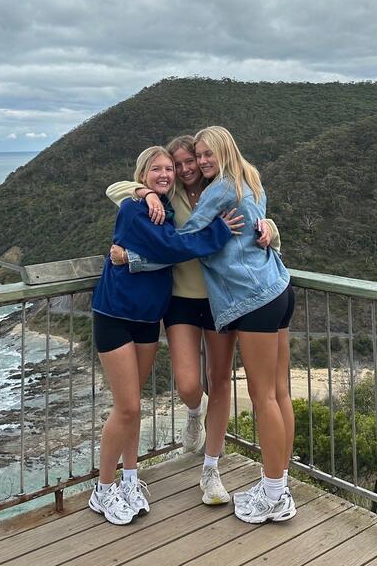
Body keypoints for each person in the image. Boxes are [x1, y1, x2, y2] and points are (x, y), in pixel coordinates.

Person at [116, 126, 296, 524]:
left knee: (230, 384)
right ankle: (275, 483)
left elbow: (246, 223)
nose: (190, 166)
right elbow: (121, 191)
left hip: (227, 302)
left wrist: (271, 228)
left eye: (195, 158)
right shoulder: (168, 193)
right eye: (184, 162)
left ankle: (216, 469)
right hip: (188, 299)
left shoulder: (224, 186)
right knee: (190, 385)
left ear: (217, 154)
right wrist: (144, 192)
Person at [89, 144, 242, 525]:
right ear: (142, 176)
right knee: (127, 407)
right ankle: (102, 490)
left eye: (170, 168)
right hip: (116, 313)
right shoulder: (136, 207)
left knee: (134, 406)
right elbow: (173, 248)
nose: (167, 173)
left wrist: (267, 227)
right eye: (158, 169)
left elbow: (166, 248)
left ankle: (128, 479)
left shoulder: (170, 207)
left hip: (147, 318)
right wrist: (216, 232)